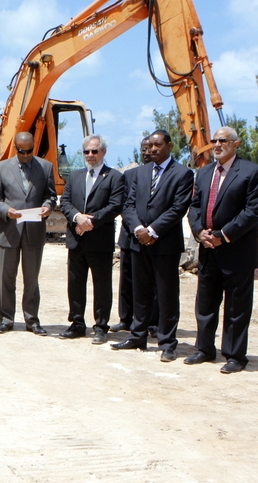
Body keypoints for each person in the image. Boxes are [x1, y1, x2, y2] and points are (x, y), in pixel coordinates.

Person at [185, 127, 258, 373]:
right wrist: (200, 232)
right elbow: (194, 206)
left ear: (236, 144)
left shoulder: (251, 172)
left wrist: (224, 235)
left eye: (223, 140)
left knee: (236, 307)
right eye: (214, 140)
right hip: (208, 249)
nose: (217, 144)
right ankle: (204, 349)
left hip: (237, 251)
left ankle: (234, 356)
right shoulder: (204, 173)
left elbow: (254, 210)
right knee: (205, 303)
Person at [111, 130, 193, 362]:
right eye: (151, 146)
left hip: (165, 244)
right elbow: (129, 204)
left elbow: (178, 208)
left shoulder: (183, 174)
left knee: (166, 295)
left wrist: (153, 231)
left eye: (158, 145)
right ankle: (137, 335)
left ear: (169, 146)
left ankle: (167, 343)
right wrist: (139, 229)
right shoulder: (141, 172)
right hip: (139, 242)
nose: (153, 149)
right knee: (140, 292)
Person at [0, 131, 57, 336]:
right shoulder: (2, 168)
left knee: (32, 279)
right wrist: (6, 210)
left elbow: (51, 196)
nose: (25, 155)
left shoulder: (45, 167)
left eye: (29, 151)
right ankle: (6, 319)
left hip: (34, 231)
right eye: (21, 151)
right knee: (6, 278)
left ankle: (32, 320)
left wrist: (47, 207)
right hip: (9, 230)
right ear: (15, 149)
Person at [58, 134, 124, 344]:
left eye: (94, 151)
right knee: (75, 283)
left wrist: (90, 222)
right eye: (86, 151)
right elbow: (65, 202)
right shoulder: (75, 176)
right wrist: (77, 217)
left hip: (99, 240)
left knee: (102, 285)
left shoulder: (114, 177)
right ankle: (77, 323)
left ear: (103, 152)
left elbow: (115, 205)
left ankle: (101, 326)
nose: (90, 155)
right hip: (76, 239)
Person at [111, 137, 159, 333]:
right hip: (130, 235)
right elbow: (123, 204)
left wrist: (149, 230)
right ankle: (125, 318)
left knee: (153, 282)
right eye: (144, 149)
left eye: (150, 148)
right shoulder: (130, 175)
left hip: (154, 236)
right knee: (127, 280)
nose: (147, 152)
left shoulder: (165, 175)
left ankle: (153, 322)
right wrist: (137, 227)